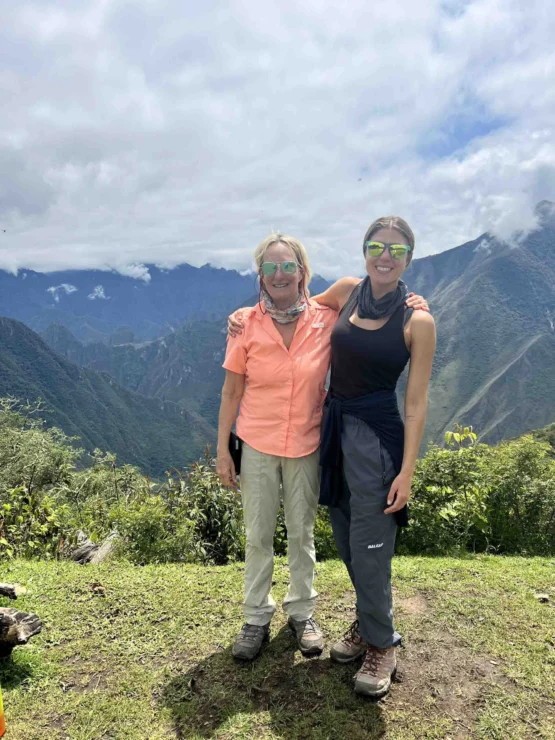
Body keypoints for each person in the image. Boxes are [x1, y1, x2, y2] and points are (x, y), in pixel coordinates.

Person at [217, 231, 429, 662]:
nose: (280, 275)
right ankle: (255, 616)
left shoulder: (324, 316)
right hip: (256, 441)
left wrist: (415, 301)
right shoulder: (246, 323)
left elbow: (376, 313)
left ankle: (302, 612)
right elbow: (230, 391)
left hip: (311, 441)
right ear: (260, 275)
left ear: (303, 271)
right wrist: (224, 448)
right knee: (258, 534)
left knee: (303, 532)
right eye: (270, 267)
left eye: (288, 266)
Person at [316, 216, 436, 698]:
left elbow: (417, 400)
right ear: (364, 250)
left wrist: (406, 471)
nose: (385, 256)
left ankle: (383, 644)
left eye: (396, 250)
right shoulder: (346, 291)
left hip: (376, 440)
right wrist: (246, 313)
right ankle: (368, 624)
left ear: (410, 257)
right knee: (345, 536)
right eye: (376, 246)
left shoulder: (417, 320)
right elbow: (300, 305)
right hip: (333, 431)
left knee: (370, 547)